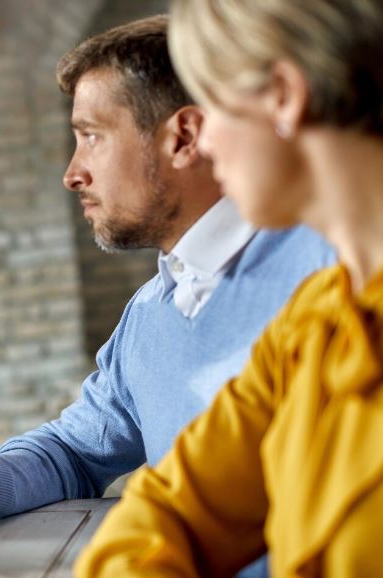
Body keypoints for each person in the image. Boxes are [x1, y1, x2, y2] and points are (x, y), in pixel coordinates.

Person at [0, 15, 334, 577]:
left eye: (92, 136)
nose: (72, 174)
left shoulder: (331, 269)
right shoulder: (150, 312)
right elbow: (75, 452)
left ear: (184, 138)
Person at [78, 1, 383, 576]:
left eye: (212, 103)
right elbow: (171, 509)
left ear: (283, 97)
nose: (206, 142)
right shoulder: (314, 324)